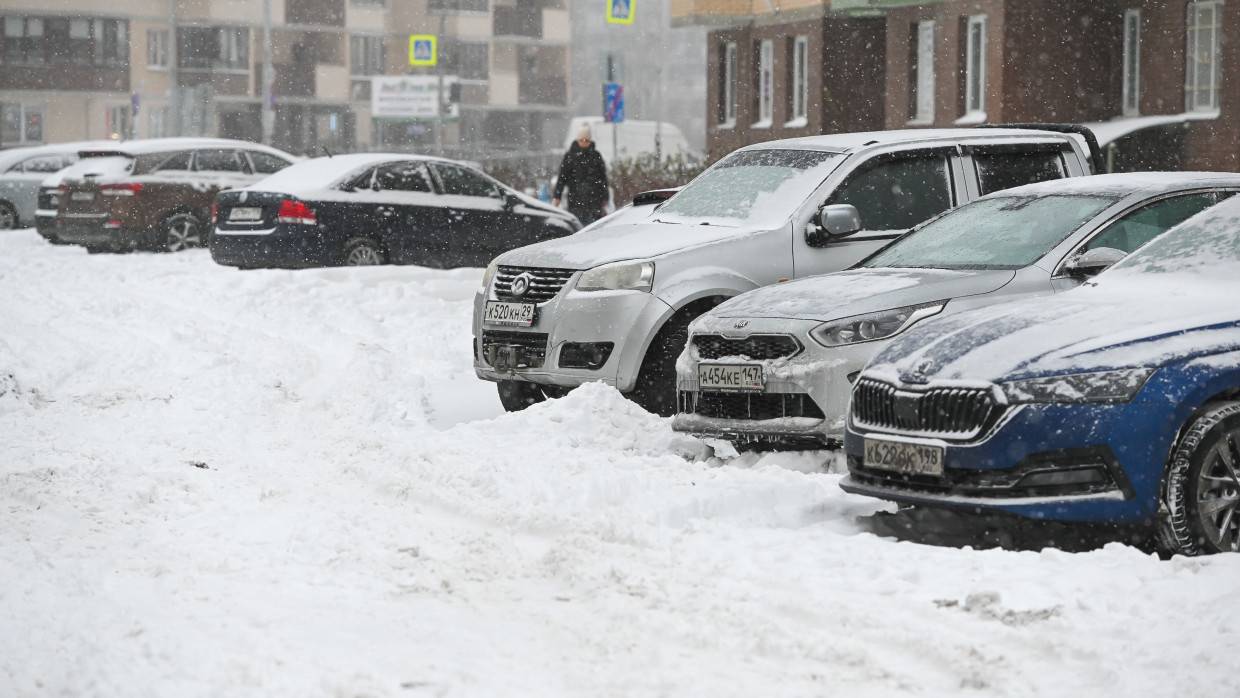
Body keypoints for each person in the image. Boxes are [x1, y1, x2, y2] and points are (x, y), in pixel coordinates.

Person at [553, 126, 609, 226]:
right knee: (578, 230)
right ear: (577, 140)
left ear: (590, 140)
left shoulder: (596, 156)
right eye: (581, 140)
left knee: (593, 230)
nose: (584, 142)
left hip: (594, 202)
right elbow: (562, 177)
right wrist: (557, 196)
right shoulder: (570, 156)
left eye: (586, 140)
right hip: (575, 202)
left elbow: (603, 178)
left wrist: (605, 197)